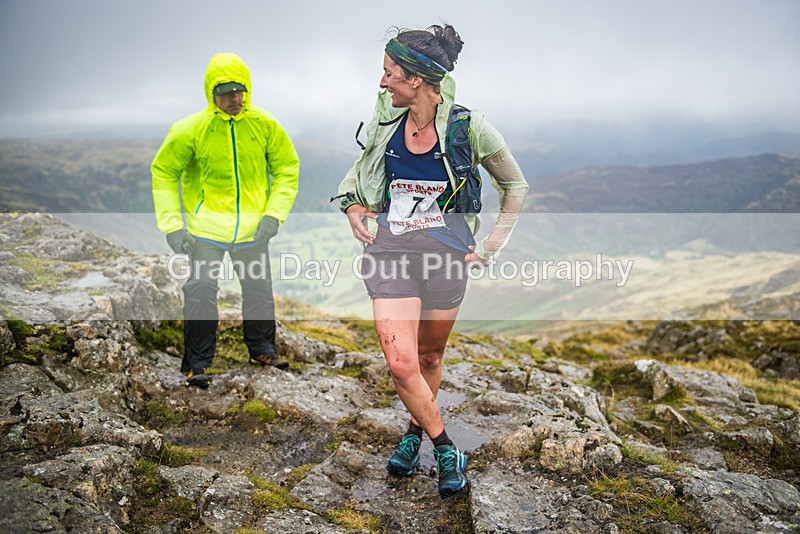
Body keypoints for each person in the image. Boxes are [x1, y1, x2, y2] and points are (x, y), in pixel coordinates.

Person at [336, 25, 528, 498]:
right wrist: (354, 207)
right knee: (401, 365)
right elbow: (361, 176)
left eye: (388, 74)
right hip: (392, 254)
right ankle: (446, 448)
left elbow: (515, 186)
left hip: (446, 257)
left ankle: (414, 432)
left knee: (428, 357)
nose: (382, 83)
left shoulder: (468, 126)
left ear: (416, 79)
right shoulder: (387, 123)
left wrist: (490, 247)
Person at [152, 52, 300, 389]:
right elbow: (163, 173)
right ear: (210, 93)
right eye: (226, 92)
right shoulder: (190, 129)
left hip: (253, 229)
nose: (235, 99)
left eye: (240, 91)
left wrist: (273, 215)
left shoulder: (264, 125)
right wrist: (172, 226)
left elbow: (287, 169)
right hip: (205, 230)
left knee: (259, 290)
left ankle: (262, 350)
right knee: (201, 290)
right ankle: (197, 364)